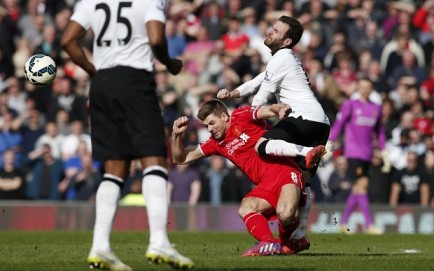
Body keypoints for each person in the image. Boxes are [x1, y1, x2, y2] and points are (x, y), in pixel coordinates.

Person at [60, 1, 193, 270]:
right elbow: (156, 37)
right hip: (134, 81)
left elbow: (67, 40)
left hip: (102, 85)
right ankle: (158, 240)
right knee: (154, 161)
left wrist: (92, 71)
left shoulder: (90, 1)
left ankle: (100, 246)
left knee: (114, 169)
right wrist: (169, 63)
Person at [217, 15, 330, 251]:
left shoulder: (282, 58)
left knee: (261, 145)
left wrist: (249, 116)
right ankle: (298, 236)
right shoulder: (285, 59)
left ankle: (309, 152)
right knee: (305, 184)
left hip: (303, 117)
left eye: (276, 31)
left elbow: (262, 95)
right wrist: (234, 93)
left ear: (287, 41)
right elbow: (259, 80)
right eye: (272, 28)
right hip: (320, 122)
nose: (270, 32)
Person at [172, 99, 305, 256]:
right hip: (265, 184)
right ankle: (269, 243)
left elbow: (269, 110)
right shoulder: (215, 143)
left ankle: (290, 241)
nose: (209, 129)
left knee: (287, 214)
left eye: (212, 123)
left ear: (224, 116)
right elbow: (180, 159)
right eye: (206, 126)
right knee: (245, 207)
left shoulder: (241, 115)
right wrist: (175, 135)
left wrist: (281, 108)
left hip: (285, 170)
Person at [327, 77, 388, 235]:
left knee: (357, 188)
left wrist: (384, 150)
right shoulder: (351, 105)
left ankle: (344, 222)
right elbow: (339, 124)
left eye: (368, 87)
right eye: (363, 87)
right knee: (362, 185)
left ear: (371, 88)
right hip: (354, 152)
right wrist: (330, 142)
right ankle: (369, 224)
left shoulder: (376, 108)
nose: (365, 90)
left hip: (367, 153)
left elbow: (380, 131)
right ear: (358, 88)